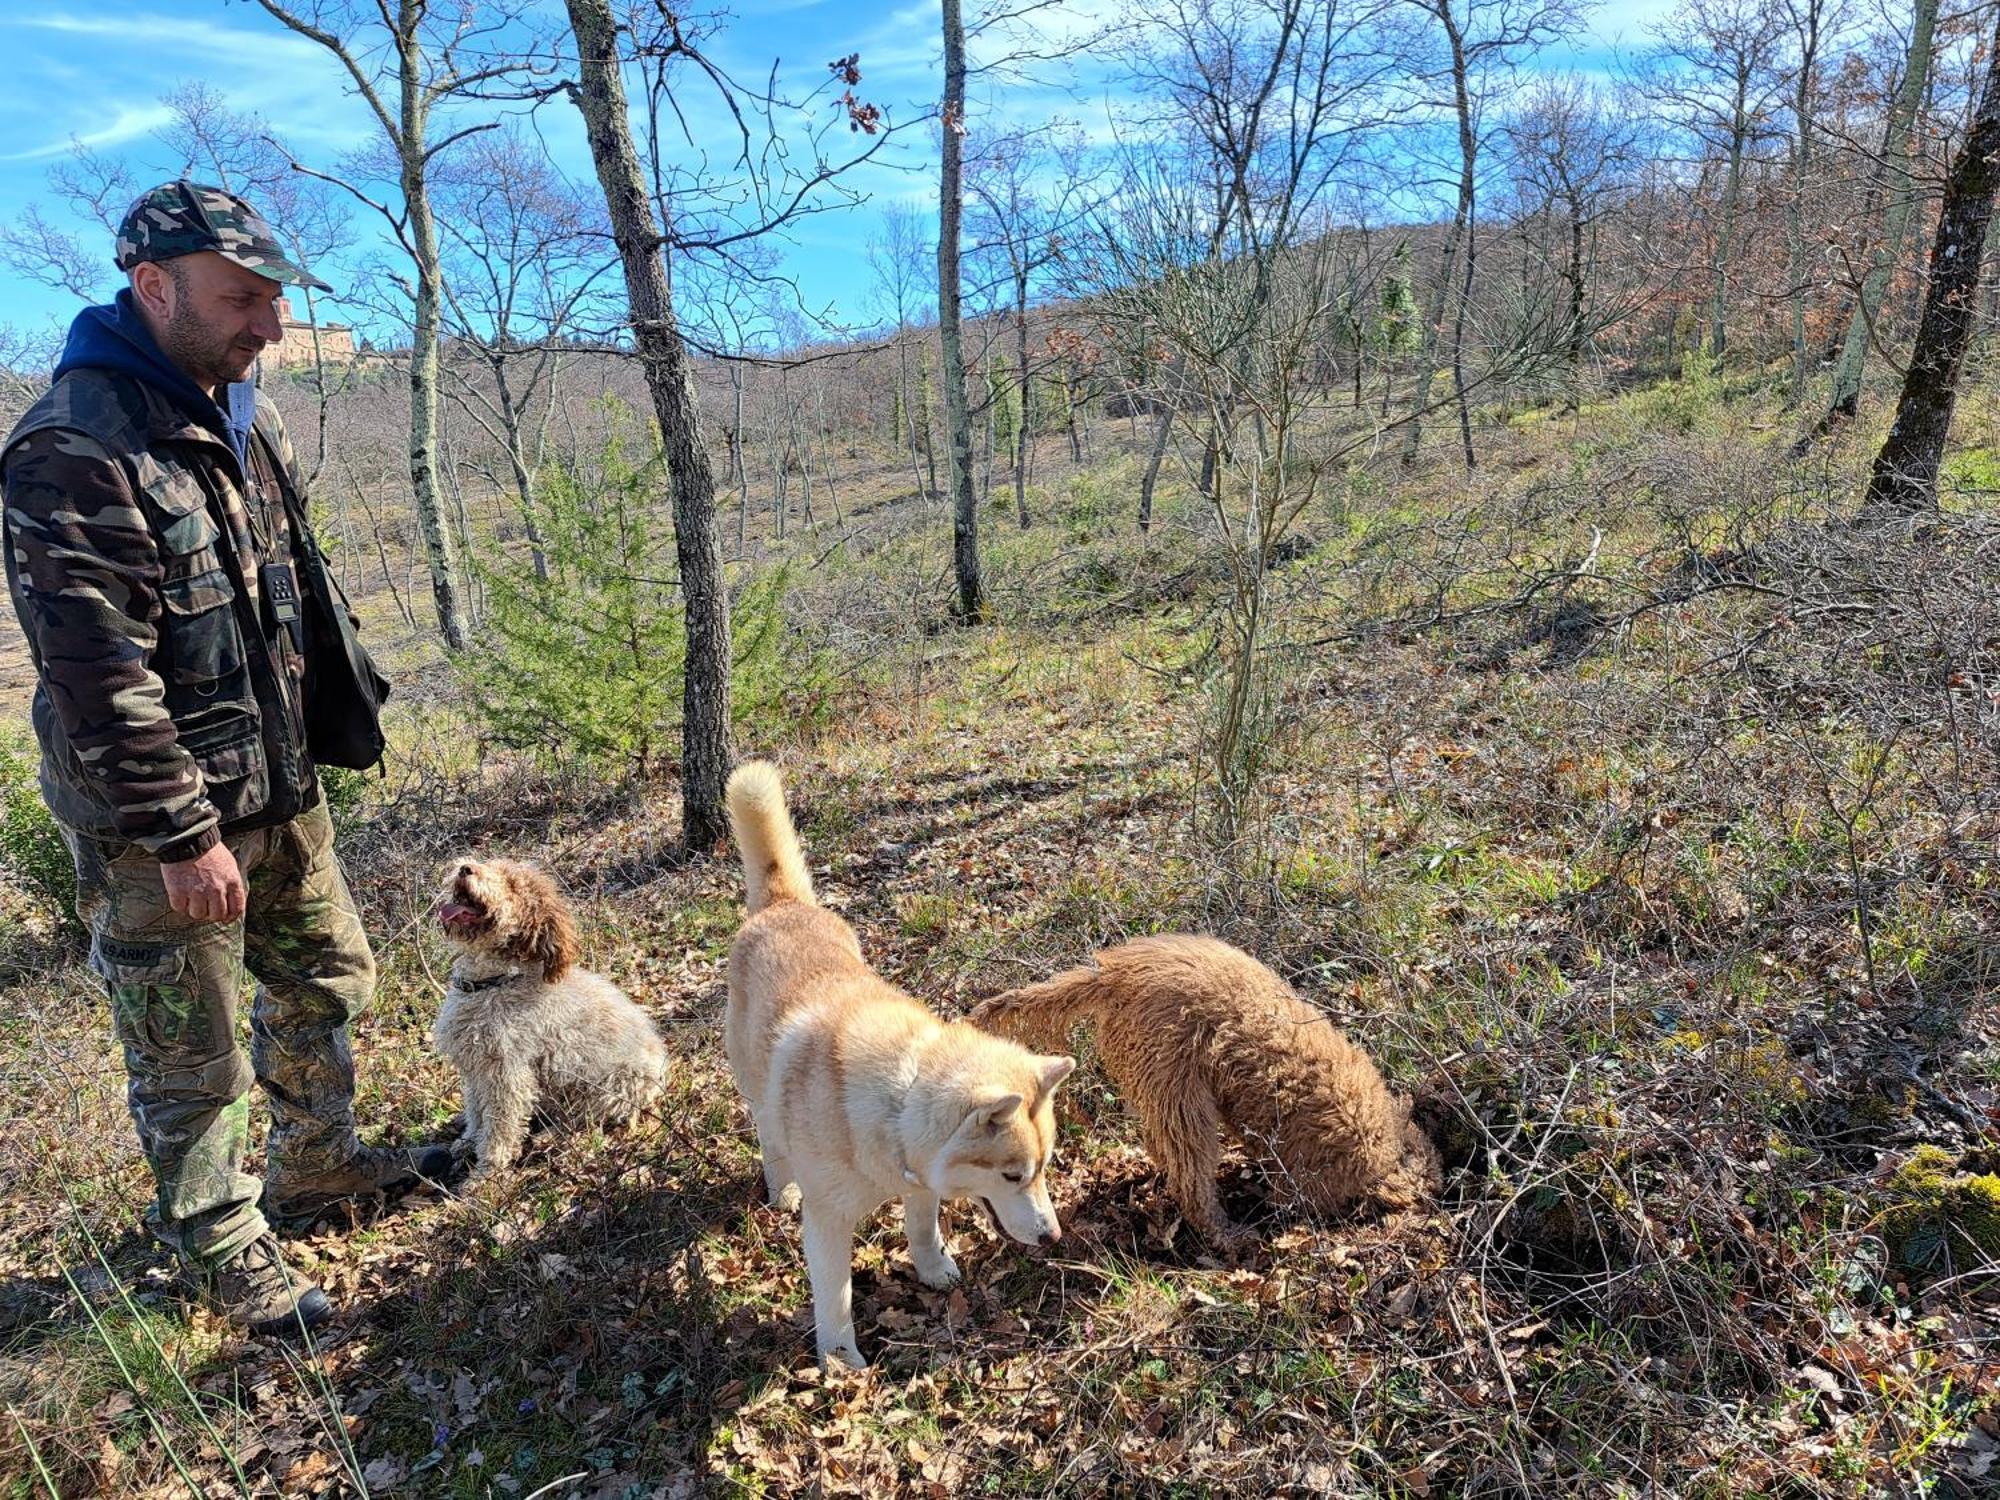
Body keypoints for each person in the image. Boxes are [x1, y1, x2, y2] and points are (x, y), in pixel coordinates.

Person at [1, 181, 450, 1337]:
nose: (269, 324)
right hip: (161, 819)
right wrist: (183, 835)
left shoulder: (246, 416)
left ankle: (317, 1166)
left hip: (278, 782)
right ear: (153, 290)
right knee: (187, 1050)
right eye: (239, 298)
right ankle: (220, 1252)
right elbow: (98, 675)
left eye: (275, 297)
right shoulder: (75, 446)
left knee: (325, 976)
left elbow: (285, 598)